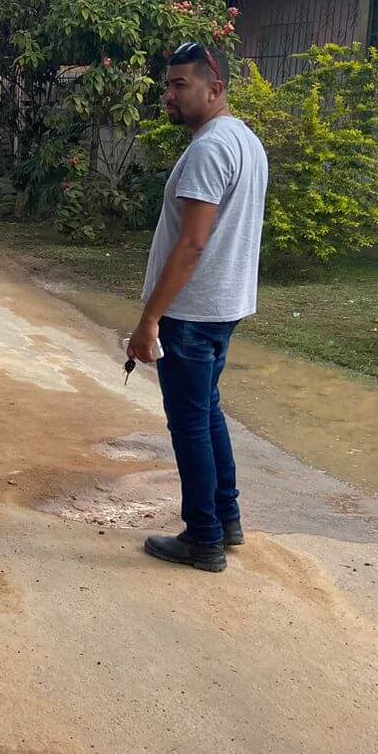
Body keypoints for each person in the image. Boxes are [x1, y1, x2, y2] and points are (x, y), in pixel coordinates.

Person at [127, 42, 268, 573]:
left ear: (215, 88)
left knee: (189, 423)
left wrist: (149, 319)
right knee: (206, 413)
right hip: (223, 305)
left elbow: (192, 243)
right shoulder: (245, 140)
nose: (169, 95)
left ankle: (203, 538)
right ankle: (225, 520)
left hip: (192, 310)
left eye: (179, 85)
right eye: (168, 84)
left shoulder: (211, 148)